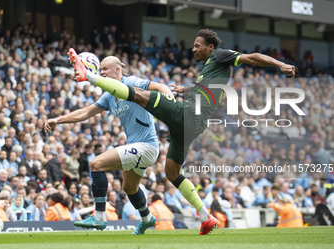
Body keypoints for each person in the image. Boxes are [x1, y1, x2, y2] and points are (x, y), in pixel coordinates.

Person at [68, 29, 295, 234]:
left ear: (211, 48)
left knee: (136, 94)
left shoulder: (220, 55)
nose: (193, 49)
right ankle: (206, 217)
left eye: (198, 45)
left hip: (187, 114)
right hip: (193, 125)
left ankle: (87, 75)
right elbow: (207, 90)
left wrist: (280, 64)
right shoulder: (210, 67)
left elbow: (253, 58)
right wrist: (186, 89)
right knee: (172, 172)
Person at [45, 55, 172, 234]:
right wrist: (58, 120)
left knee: (96, 164)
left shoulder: (132, 82)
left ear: (118, 69)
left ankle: (99, 216)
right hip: (137, 147)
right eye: (100, 69)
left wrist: (171, 104)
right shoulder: (109, 95)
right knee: (129, 188)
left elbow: (160, 87)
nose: (102, 72)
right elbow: (86, 113)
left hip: (147, 145)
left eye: (105, 69)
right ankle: (146, 218)